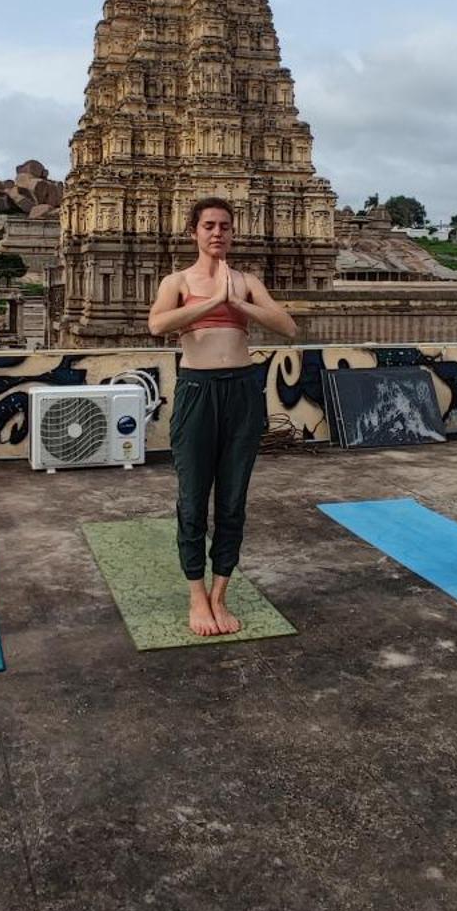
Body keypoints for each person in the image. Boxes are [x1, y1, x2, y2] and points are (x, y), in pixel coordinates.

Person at [148, 197, 297, 636]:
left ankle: (220, 594)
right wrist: (209, 300)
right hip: (198, 390)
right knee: (193, 499)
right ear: (195, 231)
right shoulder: (176, 281)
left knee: (232, 501)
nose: (218, 233)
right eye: (209, 225)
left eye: (225, 227)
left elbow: (287, 327)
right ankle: (197, 595)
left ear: (233, 233)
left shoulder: (246, 281)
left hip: (242, 389)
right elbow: (157, 325)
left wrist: (237, 303)